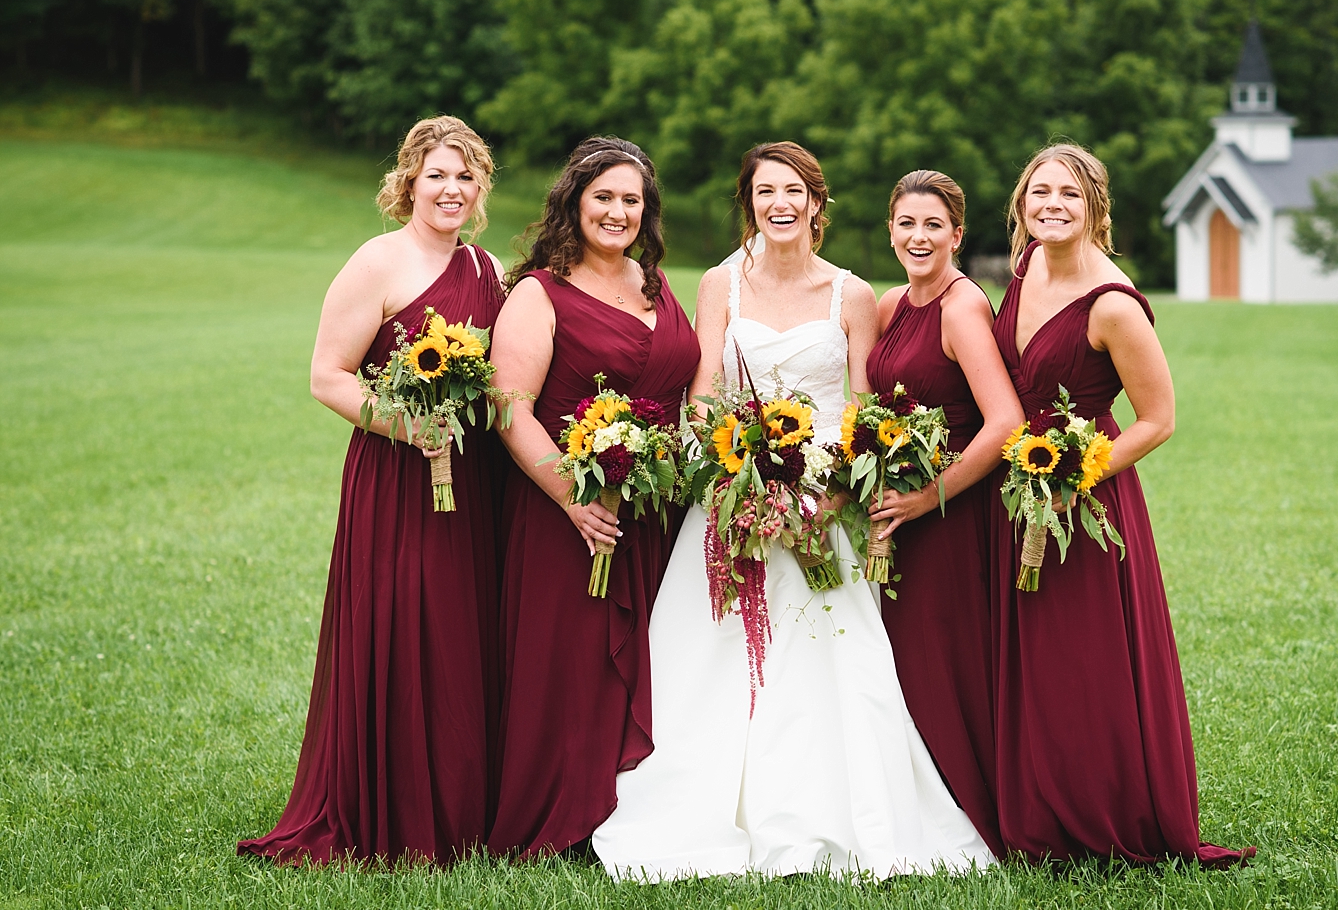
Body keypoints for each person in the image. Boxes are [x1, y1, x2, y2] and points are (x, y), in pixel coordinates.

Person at [592, 142, 995, 879]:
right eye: (764, 190)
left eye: (794, 191)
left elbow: (864, 404)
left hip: (822, 504)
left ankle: (832, 809)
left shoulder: (853, 294)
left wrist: (834, 486)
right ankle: (705, 805)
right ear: (749, 202)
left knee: (827, 658)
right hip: (733, 495)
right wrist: (730, 464)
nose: (779, 203)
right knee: (708, 658)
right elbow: (706, 387)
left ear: (817, 203)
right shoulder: (721, 283)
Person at [238, 116, 506, 865]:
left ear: (480, 186)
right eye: (437, 176)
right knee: (402, 624)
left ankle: (461, 810)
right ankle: (383, 806)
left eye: (465, 176)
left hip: (471, 481)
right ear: (409, 182)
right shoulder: (377, 261)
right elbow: (327, 373)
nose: (450, 189)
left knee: (461, 631)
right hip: (396, 475)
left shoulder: (487, 271)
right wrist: (404, 426)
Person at [989, 143, 1253, 866]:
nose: (1052, 204)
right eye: (1039, 191)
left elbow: (1159, 417)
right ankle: (1039, 809)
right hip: (1016, 488)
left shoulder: (1111, 303)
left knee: (1086, 659)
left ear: (1095, 208)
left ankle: (1105, 816)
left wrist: (1076, 472)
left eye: (1069, 195)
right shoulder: (1026, 268)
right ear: (1020, 203)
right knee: (1035, 658)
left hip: (1086, 500)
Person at [486, 137, 700, 859]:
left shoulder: (657, 285)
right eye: (603, 196)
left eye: (631, 199)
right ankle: (565, 811)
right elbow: (510, 408)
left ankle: (634, 807)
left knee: (655, 658)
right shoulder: (538, 293)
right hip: (567, 514)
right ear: (574, 202)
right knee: (571, 663)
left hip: (655, 512)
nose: (617, 211)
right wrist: (573, 498)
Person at [865, 171, 1023, 859]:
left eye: (934, 225)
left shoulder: (962, 308)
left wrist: (927, 497)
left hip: (953, 516)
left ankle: (970, 805)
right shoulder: (889, 302)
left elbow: (1004, 422)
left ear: (957, 234)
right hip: (897, 511)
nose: (918, 237)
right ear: (891, 230)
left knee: (943, 663)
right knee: (900, 662)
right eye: (907, 224)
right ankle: (913, 799)